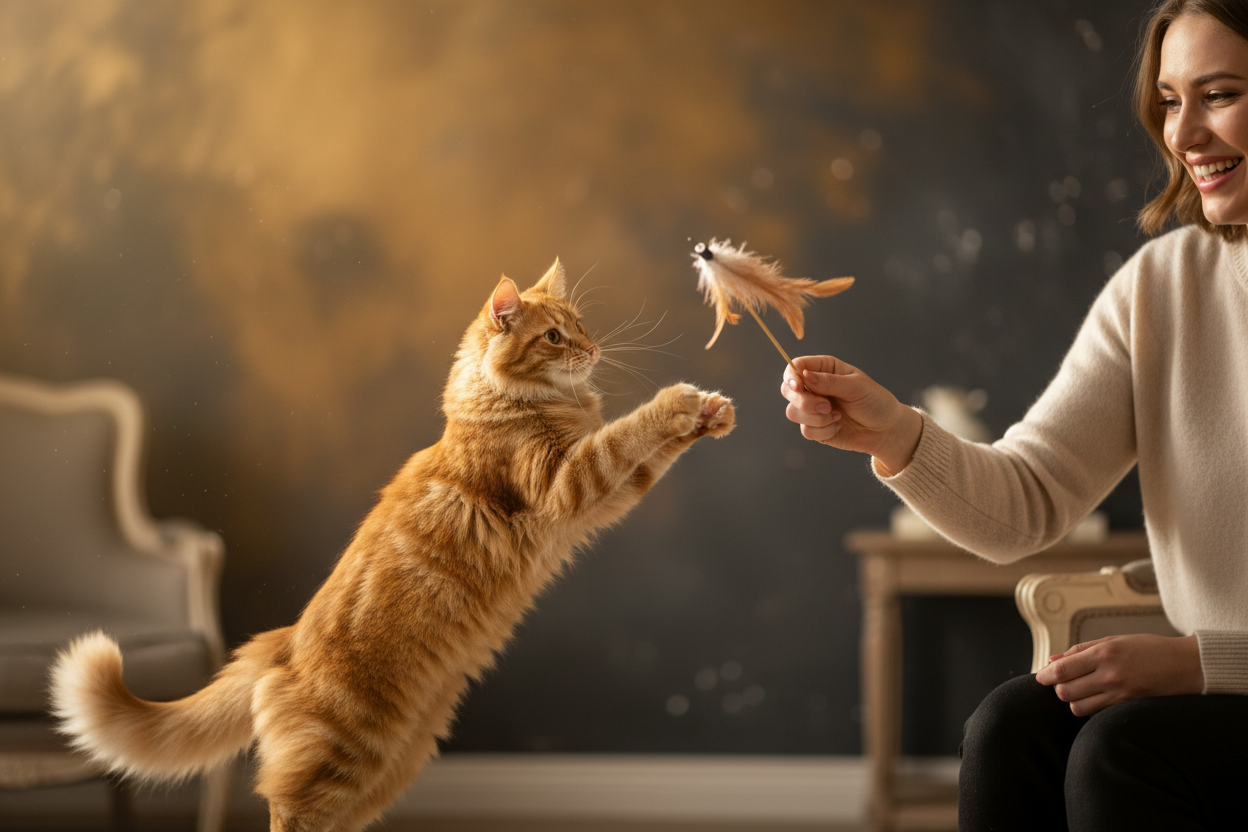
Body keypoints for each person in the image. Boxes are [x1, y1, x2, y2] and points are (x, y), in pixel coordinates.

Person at [780, 2, 1248, 830]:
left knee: (1122, 750)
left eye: (1219, 94)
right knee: (1009, 729)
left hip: (1218, 679)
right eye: (1172, 102)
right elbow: (1027, 503)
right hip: (1216, 689)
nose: (1185, 135)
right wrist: (893, 434)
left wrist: (1203, 664)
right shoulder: (1161, 287)